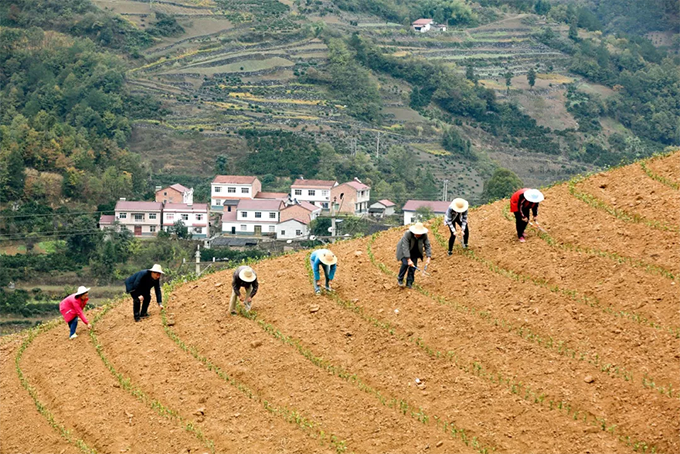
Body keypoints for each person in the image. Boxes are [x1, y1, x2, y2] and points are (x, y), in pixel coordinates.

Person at [396, 222, 432, 289]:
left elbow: (427, 245)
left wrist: (428, 257)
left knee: (413, 267)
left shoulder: (424, 235)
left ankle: (409, 283)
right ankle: (400, 279)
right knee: (405, 263)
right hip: (404, 250)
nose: (418, 234)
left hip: (415, 250)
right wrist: (409, 260)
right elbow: (405, 247)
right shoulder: (407, 234)